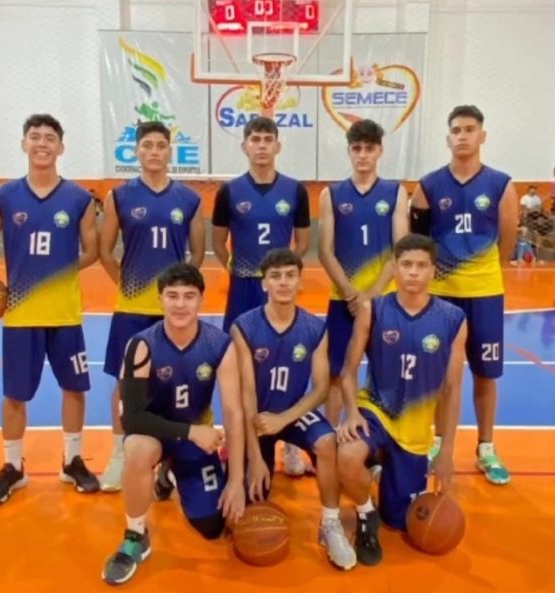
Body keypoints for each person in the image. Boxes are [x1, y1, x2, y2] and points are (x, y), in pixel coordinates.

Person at [0, 114, 100, 505]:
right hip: (20, 316)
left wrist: (56, 271)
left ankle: (73, 461)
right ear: (24, 144)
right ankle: (13, 467)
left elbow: (92, 251)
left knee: (75, 388)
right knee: (14, 395)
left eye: (50, 138)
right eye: (35, 137)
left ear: (61, 147)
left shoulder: (79, 199)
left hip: (65, 314)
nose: (42, 143)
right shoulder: (4, 195)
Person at [101, 263, 245, 585]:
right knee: (137, 448)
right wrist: (190, 432)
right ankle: (135, 538)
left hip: (196, 440)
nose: (180, 304)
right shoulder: (141, 345)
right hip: (158, 434)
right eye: (173, 295)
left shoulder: (220, 345)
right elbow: (132, 418)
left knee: (213, 526)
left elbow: (234, 414)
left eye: (189, 296)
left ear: (201, 300)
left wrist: (236, 480)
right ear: (161, 299)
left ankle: (169, 473)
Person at [337, 234, 467, 566]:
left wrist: (446, 451)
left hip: (415, 431)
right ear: (394, 268)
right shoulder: (373, 310)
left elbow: (452, 390)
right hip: (376, 410)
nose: (413, 272)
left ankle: (382, 468)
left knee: (401, 521)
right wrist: (351, 412)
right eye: (406, 264)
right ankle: (366, 515)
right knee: (346, 455)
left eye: (421, 265)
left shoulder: (453, 319)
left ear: (433, 271)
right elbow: (348, 371)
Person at [410, 105, 518, 485]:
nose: (462, 136)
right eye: (456, 130)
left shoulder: (501, 185)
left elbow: (509, 235)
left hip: (485, 292)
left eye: (469, 129)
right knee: (442, 374)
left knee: (486, 374)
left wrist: (491, 271)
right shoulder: (428, 186)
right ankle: (439, 444)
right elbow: (418, 242)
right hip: (442, 296)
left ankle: (486, 447)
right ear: (448, 138)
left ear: (482, 136)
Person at [231, 248, 356, 571]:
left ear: (301, 281)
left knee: (327, 441)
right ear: (264, 283)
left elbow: (321, 389)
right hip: (257, 418)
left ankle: (330, 523)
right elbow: (246, 394)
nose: (283, 282)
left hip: (293, 412)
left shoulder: (315, 328)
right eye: (275, 276)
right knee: (244, 512)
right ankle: (236, 460)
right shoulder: (244, 326)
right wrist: (255, 458)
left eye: (290, 276)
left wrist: (284, 419)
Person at [99, 122, 205, 493]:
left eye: (161, 145)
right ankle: (119, 454)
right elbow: (104, 251)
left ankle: (172, 462)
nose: (155, 151)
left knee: (175, 384)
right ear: (137, 151)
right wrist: (128, 286)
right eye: (148, 145)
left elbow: (197, 254)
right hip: (131, 309)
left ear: (169, 150)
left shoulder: (189, 199)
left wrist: (180, 295)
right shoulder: (119, 196)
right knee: (125, 383)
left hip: (173, 312)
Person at [212, 116, 311, 476]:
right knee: (239, 369)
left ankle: (291, 443)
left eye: (268, 139)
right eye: (255, 139)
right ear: (245, 146)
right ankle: (236, 439)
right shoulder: (229, 191)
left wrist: (282, 277)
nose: (262, 146)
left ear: (278, 145)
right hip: (243, 288)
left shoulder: (296, 190)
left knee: (287, 364)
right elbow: (217, 243)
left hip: (280, 293)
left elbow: (303, 242)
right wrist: (240, 270)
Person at [318, 119, 408, 427]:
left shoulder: (396, 193)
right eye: (357, 148)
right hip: (343, 299)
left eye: (369, 148)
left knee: (385, 373)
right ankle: (330, 437)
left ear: (380, 151)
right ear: (349, 151)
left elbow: (400, 249)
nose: (363, 155)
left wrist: (371, 294)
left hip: (384, 300)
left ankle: (381, 438)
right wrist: (350, 293)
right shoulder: (332, 194)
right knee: (336, 372)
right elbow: (325, 251)